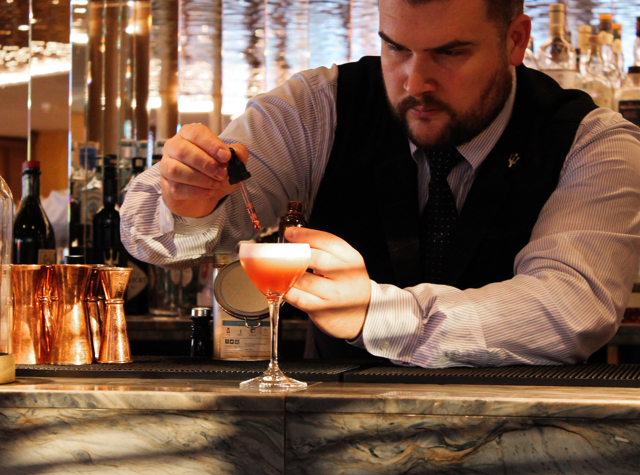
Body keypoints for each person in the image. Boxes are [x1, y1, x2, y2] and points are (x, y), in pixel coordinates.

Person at [121, 0, 640, 368]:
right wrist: (188, 204)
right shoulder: (319, 108)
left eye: (450, 53)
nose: (415, 82)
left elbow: (569, 309)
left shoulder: (592, 141)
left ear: (515, 41)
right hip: (333, 440)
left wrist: (377, 314)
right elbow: (151, 237)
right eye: (396, 48)